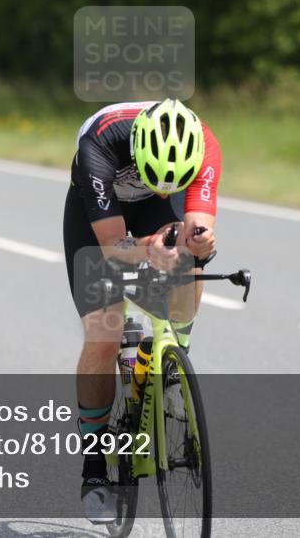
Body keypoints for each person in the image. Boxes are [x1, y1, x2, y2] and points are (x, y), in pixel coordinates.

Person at [63, 98, 221, 523]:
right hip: (99, 213)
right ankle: (95, 466)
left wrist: (200, 241)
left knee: (189, 258)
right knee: (103, 335)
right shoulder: (99, 145)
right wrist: (148, 248)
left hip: (152, 204)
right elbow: (112, 245)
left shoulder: (204, 145)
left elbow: (199, 224)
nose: (169, 189)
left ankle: (172, 360)